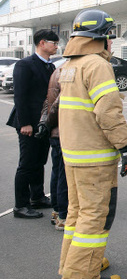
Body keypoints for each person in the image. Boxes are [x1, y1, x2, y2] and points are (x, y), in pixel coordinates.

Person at [57, 9, 127, 279]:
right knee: (95, 217)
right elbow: (107, 113)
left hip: (74, 154)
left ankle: (73, 266)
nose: (111, 41)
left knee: (77, 214)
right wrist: (126, 147)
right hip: (95, 158)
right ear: (101, 37)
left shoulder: (69, 65)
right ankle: (81, 274)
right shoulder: (97, 65)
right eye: (110, 35)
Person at [9, 28, 59, 219]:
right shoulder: (25, 64)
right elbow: (20, 97)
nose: (56, 46)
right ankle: (20, 205)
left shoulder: (50, 66)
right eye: (53, 43)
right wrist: (25, 123)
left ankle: (37, 197)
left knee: (40, 161)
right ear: (42, 43)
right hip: (28, 123)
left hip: (43, 123)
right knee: (27, 164)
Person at [36, 63, 67, 230]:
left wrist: (44, 123)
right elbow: (56, 104)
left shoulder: (59, 69)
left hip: (56, 132)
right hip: (64, 132)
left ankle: (57, 210)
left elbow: (48, 102)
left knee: (58, 172)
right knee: (65, 176)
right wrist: (47, 123)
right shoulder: (72, 71)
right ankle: (63, 214)